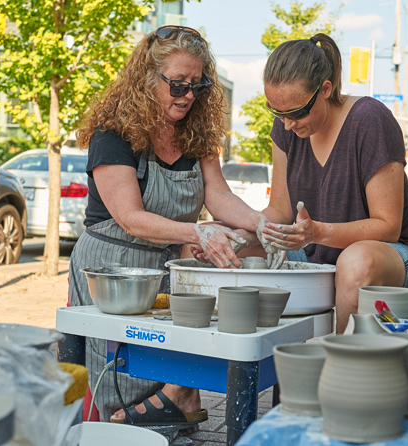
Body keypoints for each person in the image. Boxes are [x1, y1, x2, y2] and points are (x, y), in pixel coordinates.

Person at [69, 25, 270, 428]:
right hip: (114, 273)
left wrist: (264, 224)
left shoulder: (197, 132)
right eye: (178, 85)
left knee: (171, 366)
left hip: (169, 266)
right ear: (146, 79)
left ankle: (179, 402)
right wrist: (198, 233)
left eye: (198, 85)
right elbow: (130, 217)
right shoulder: (115, 133)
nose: (189, 96)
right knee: (120, 383)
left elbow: (218, 197)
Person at [257, 33, 408, 334]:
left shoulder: (370, 119)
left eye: (296, 113)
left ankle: (341, 366)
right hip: (314, 251)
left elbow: (388, 227)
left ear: (325, 89)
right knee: (217, 239)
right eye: (277, 112)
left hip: (394, 256)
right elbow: (280, 210)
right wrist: (238, 231)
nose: (286, 124)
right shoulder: (286, 127)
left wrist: (318, 232)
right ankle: (192, 374)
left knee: (356, 261)